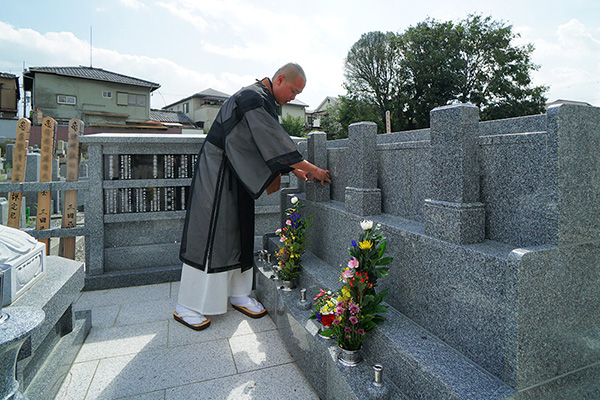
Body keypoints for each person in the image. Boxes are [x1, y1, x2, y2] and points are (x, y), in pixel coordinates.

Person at [174, 63, 331, 330]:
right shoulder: (252, 97)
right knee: (210, 236)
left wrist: (296, 168)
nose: (294, 97)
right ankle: (187, 305)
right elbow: (274, 142)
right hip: (218, 170)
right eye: (293, 91)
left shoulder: (263, 101)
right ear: (280, 79)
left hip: (237, 172)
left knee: (239, 233)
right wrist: (311, 168)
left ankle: (238, 293)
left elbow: (264, 144)